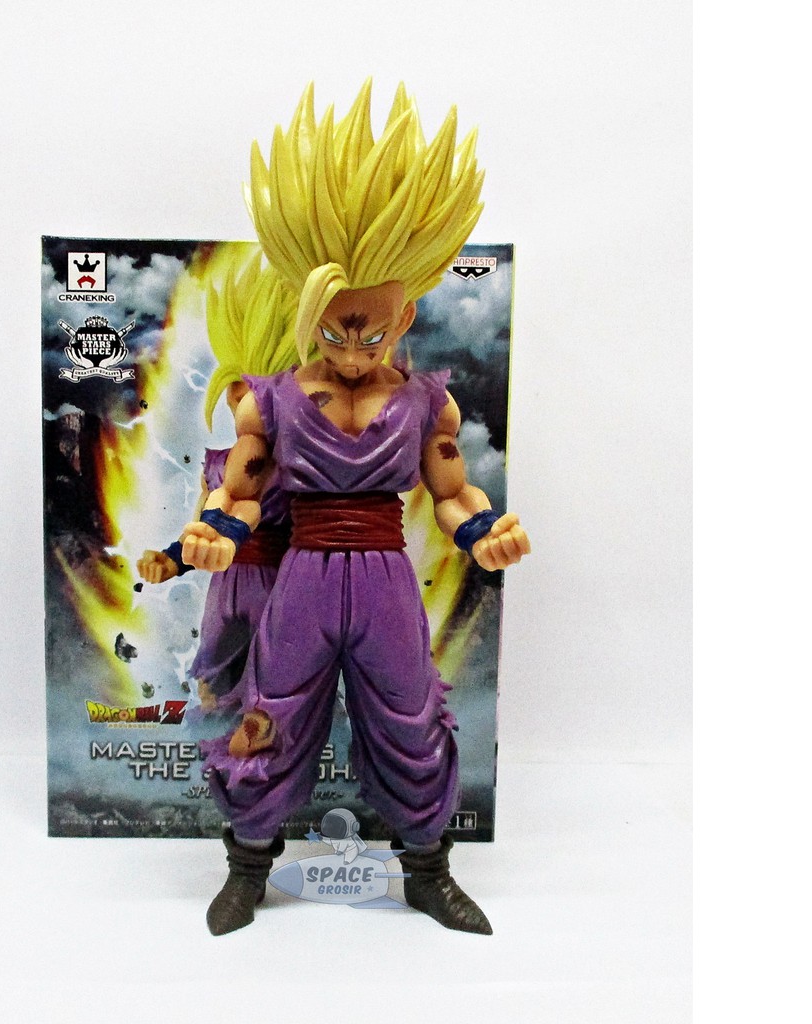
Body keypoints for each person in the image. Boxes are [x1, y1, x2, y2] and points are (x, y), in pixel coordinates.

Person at [181, 82, 530, 935]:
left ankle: (428, 873)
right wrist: (217, 532)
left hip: (384, 582)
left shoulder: (426, 402)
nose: (349, 351)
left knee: (411, 720)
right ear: (308, 311)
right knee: (270, 715)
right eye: (333, 331)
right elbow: (243, 490)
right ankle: (247, 870)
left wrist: (483, 531)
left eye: (370, 332)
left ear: (404, 315)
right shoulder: (269, 400)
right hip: (301, 580)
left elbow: (452, 492)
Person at [137, 248, 310, 711]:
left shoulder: (307, 463)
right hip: (226, 589)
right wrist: (171, 560)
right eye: (240, 390)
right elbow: (201, 528)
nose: (247, 402)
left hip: (285, 586)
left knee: (285, 692)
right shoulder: (217, 462)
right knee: (214, 690)